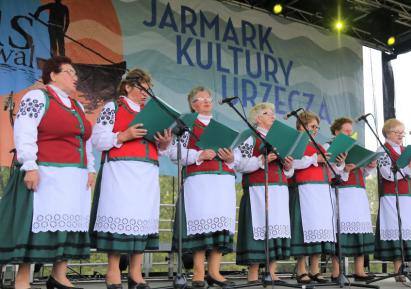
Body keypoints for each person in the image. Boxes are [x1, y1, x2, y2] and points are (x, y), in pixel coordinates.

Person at [0, 56, 95, 289]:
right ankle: (22, 280)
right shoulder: (37, 97)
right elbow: (25, 130)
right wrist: (30, 165)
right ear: (53, 75)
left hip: (75, 176)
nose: (75, 77)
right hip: (47, 172)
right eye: (69, 72)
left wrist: (91, 168)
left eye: (75, 73)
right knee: (34, 226)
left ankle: (59, 275)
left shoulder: (77, 106)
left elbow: (86, 141)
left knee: (69, 224)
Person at [90, 69, 172, 289]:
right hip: (120, 170)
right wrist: (123, 135)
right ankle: (113, 271)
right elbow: (97, 139)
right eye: (142, 87)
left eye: (148, 88)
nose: (146, 93)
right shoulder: (113, 107)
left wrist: (163, 143)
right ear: (128, 87)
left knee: (141, 220)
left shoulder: (151, 112)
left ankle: (135, 274)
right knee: (119, 217)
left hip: (147, 172)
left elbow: (162, 147)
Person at [168, 87, 237, 288]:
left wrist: (231, 158)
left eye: (209, 99)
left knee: (220, 225)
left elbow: (236, 159)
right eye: (201, 99)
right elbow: (173, 153)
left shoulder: (220, 127)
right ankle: (198, 272)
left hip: (223, 180)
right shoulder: (186, 124)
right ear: (193, 104)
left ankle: (214, 272)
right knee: (201, 225)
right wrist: (199, 155)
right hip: (199, 180)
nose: (207, 102)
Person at [234, 103, 294, 283]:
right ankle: (252, 274)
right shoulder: (250, 137)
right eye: (268, 113)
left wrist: (289, 166)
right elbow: (239, 164)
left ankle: (272, 271)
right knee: (258, 228)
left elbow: (288, 171)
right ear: (257, 118)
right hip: (258, 189)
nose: (273, 116)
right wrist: (262, 160)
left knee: (276, 229)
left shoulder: (280, 140)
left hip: (279, 188)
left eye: (273, 113)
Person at [290, 111, 343, 284]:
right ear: (301, 126)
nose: (315, 130)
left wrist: (339, 161)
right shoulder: (295, 143)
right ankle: (301, 269)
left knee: (319, 230)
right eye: (312, 126)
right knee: (303, 230)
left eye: (317, 127)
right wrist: (314, 159)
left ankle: (315, 269)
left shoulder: (320, 145)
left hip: (322, 190)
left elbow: (331, 167)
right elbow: (294, 163)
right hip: (304, 188)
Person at [374, 118, 411, 282]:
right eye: (397, 132)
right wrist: (409, 169)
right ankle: (398, 270)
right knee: (396, 230)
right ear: (387, 133)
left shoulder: (408, 150)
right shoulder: (382, 150)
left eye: (402, 132)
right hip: (392, 196)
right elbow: (388, 175)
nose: (400, 135)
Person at [329, 117, 376, 282]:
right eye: (346, 131)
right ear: (336, 131)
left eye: (351, 131)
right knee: (340, 231)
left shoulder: (354, 148)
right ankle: (336, 272)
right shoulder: (330, 147)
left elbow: (361, 172)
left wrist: (368, 166)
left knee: (360, 231)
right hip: (341, 192)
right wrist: (343, 168)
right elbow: (330, 173)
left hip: (358, 192)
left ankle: (359, 270)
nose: (350, 133)